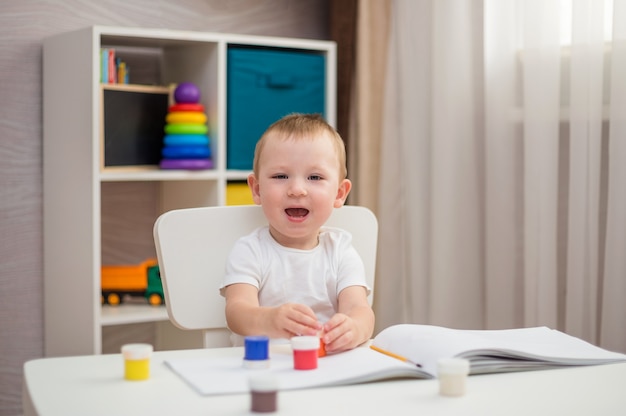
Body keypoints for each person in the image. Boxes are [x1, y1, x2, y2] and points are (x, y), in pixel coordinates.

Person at [219, 113, 374, 353]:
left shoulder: (341, 251)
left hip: (325, 368)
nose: (297, 189)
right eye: (281, 176)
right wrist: (268, 320)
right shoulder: (250, 250)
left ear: (340, 193)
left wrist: (354, 329)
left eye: (315, 177)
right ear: (257, 189)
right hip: (261, 365)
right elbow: (236, 311)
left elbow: (360, 310)